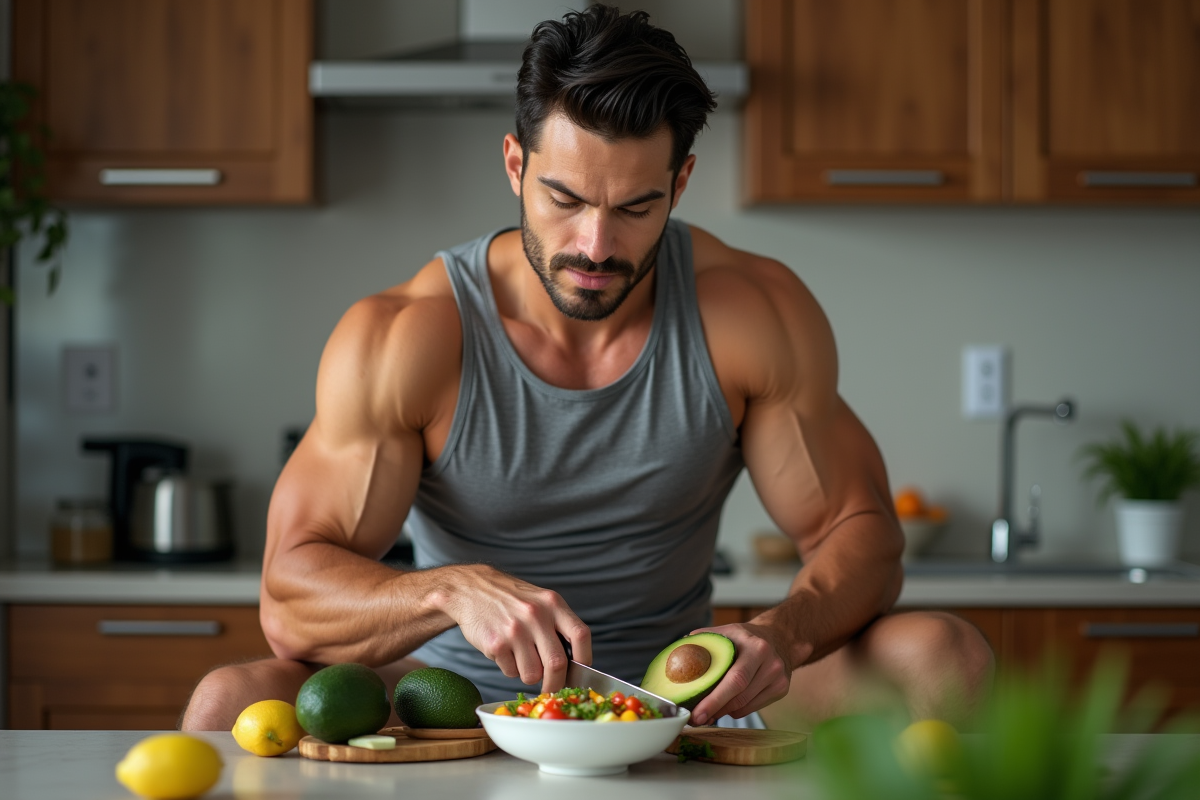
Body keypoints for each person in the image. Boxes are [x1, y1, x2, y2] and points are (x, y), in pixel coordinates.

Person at [182, 6, 992, 733]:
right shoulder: (406, 336)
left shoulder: (750, 312)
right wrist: (447, 591)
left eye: (635, 207)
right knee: (227, 701)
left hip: (682, 696)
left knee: (943, 654)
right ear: (514, 167)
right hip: (454, 697)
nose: (595, 247)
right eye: (565, 199)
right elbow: (288, 602)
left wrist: (781, 633)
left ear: (680, 184)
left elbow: (865, 535)